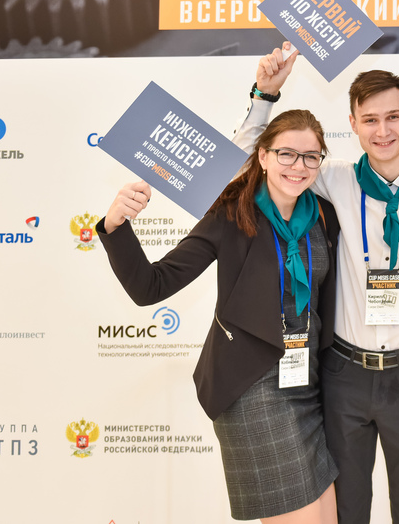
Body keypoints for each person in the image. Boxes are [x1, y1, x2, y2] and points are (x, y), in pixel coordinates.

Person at [233, 44, 399, 524]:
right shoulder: (334, 180)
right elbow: (251, 167)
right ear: (353, 125)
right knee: (347, 511)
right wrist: (265, 96)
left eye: (393, 117)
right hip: (345, 375)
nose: (382, 131)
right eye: (370, 120)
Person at [97, 109, 341, 524]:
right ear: (262, 156)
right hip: (252, 388)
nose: (298, 166)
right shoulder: (232, 213)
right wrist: (116, 225)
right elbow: (151, 286)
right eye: (286, 154)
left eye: (310, 157)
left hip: (307, 385)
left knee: (326, 517)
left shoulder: (323, 216)